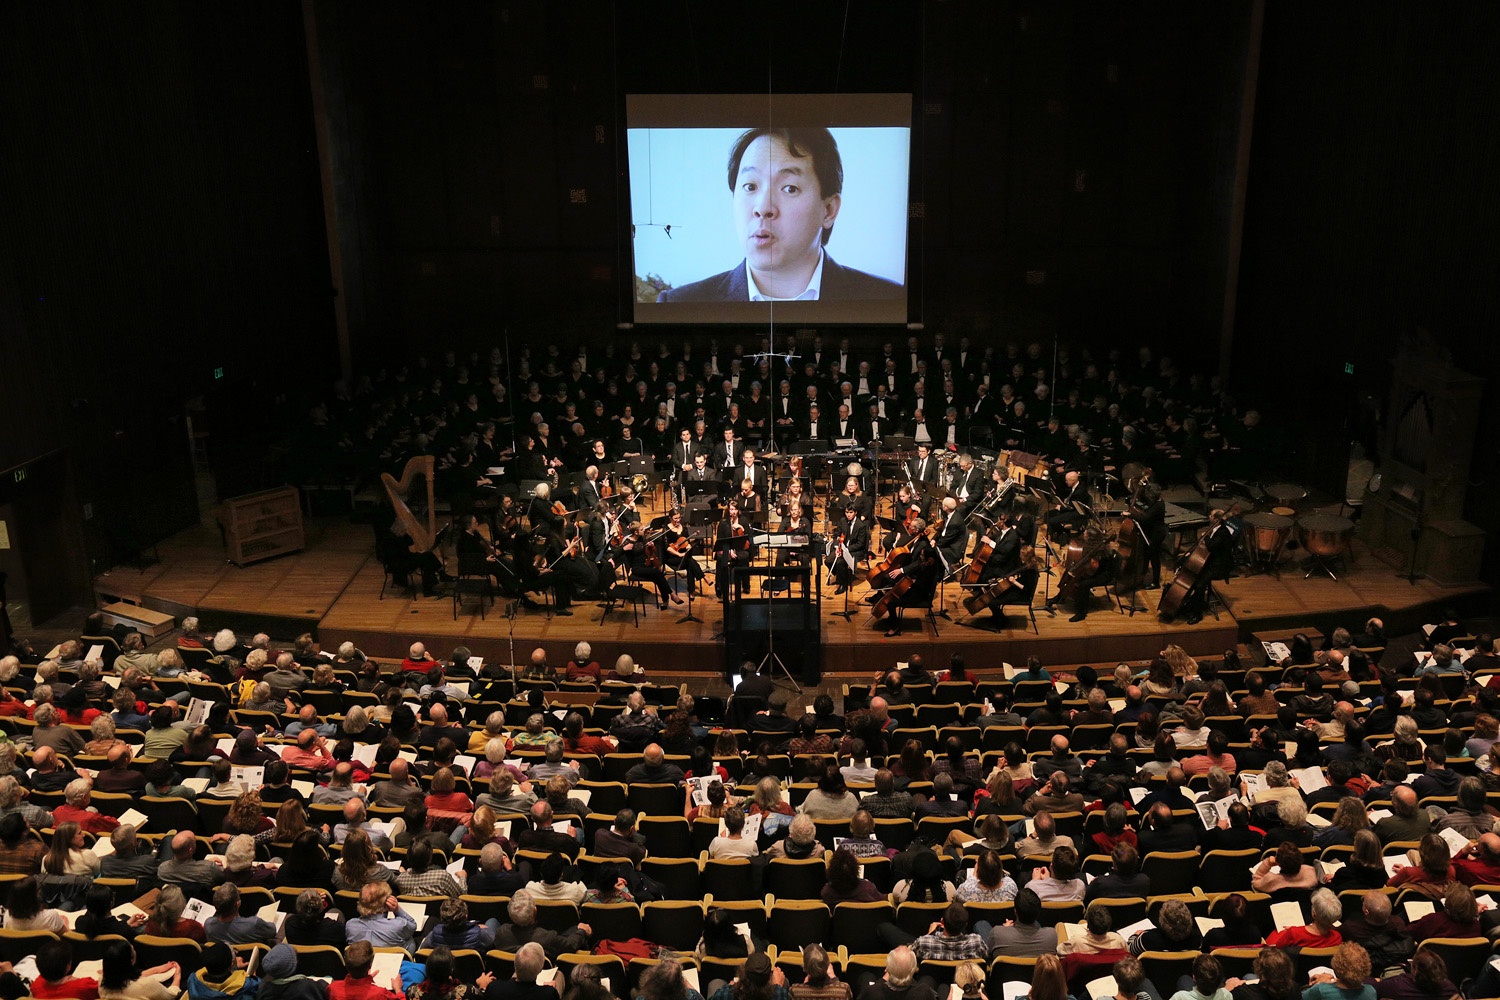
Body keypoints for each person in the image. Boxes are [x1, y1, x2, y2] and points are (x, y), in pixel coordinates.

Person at [659, 127, 902, 304]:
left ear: (828, 210)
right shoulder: (682, 302)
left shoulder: (888, 299)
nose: (763, 208)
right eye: (750, 187)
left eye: (789, 188)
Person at [97, 939, 183, 1000]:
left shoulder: (103, 980)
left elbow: (125, 976)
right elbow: (171, 996)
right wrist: (177, 976)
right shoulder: (147, 985)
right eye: (133, 950)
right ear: (131, 960)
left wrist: (156, 970)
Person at [1302, 943, 1374, 1000]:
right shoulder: (1371, 991)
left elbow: (1300, 997)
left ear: (1336, 964)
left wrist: (1319, 983)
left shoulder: (1321, 991)